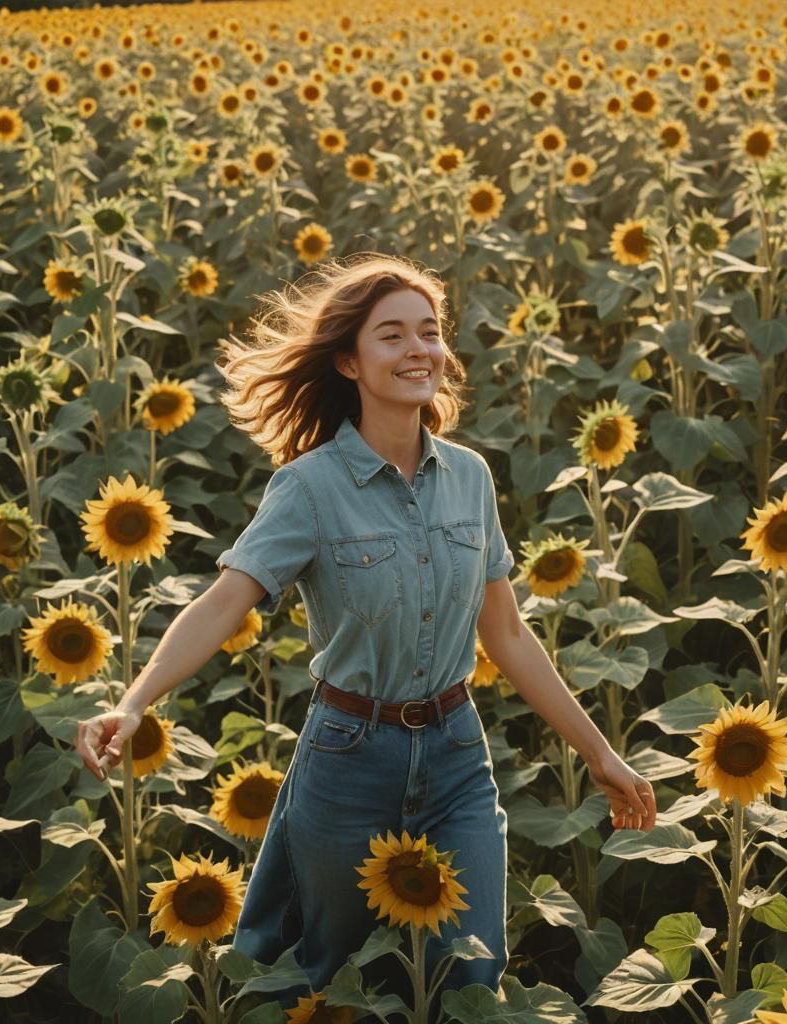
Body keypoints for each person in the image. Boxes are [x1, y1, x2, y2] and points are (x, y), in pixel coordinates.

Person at [76, 253, 657, 1017]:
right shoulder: (309, 487)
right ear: (349, 359)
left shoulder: (471, 478)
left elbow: (508, 634)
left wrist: (601, 753)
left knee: (473, 971)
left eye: (430, 332)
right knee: (337, 983)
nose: (419, 349)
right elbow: (224, 603)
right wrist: (137, 698)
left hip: (456, 756)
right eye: (393, 335)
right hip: (347, 760)